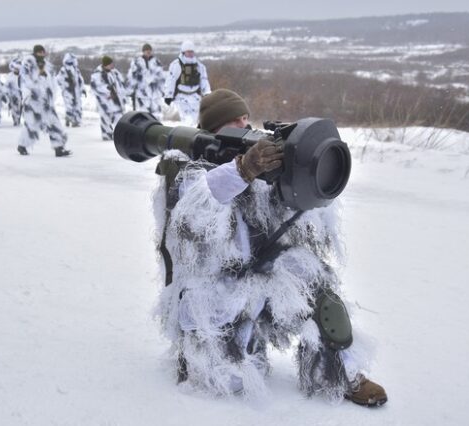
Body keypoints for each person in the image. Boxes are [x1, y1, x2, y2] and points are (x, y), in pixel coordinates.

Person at [154, 89, 387, 406]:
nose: (243, 123)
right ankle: (202, 356)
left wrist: (299, 173)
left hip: (260, 274)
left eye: (245, 117)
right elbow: (191, 221)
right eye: (233, 120)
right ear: (212, 129)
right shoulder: (189, 170)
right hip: (212, 293)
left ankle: (340, 373)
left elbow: (300, 222)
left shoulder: (261, 163)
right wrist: (241, 171)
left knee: (314, 283)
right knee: (230, 379)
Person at [17, 45, 70, 157]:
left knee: (54, 123)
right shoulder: (28, 64)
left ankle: (58, 148)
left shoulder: (47, 66)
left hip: (46, 101)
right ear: (35, 52)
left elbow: (52, 81)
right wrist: (27, 92)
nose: (42, 54)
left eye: (43, 52)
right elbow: (23, 79)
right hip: (33, 100)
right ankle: (22, 145)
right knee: (32, 125)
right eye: (39, 52)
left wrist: (53, 93)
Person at [163, 40, 211, 126]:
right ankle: (187, 135)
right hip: (181, 97)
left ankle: (193, 134)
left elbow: (204, 80)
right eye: (188, 52)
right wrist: (168, 95)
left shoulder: (199, 66)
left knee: (195, 119)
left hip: (195, 97)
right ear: (183, 52)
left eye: (192, 51)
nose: (190, 54)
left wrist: (207, 93)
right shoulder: (176, 65)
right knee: (187, 120)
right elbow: (171, 80)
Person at [90, 55, 127, 141]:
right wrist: (108, 91)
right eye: (110, 64)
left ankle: (120, 133)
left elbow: (121, 84)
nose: (112, 65)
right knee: (106, 117)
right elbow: (95, 87)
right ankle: (107, 134)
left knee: (119, 116)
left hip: (116, 99)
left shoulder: (115, 73)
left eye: (112, 64)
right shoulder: (97, 74)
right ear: (105, 64)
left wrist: (122, 93)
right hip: (105, 101)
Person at [126, 43, 165, 118]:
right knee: (143, 116)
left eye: (149, 50)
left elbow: (161, 77)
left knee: (156, 116)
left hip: (155, 94)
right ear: (143, 51)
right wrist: (129, 90)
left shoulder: (156, 62)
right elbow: (132, 77)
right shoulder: (137, 62)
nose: (148, 51)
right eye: (146, 50)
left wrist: (163, 90)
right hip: (142, 94)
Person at [56, 52, 85, 128]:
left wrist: (83, 89)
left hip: (76, 91)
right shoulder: (64, 70)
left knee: (77, 106)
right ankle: (69, 119)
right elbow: (59, 80)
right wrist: (66, 84)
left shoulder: (76, 70)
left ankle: (76, 120)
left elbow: (80, 80)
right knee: (69, 106)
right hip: (68, 91)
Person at [5, 57, 22, 126]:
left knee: (20, 108)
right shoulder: (10, 76)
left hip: (21, 95)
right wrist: (7, 93)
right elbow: (6, 86)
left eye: (17, 68)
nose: (16, 70)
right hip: (12, 95)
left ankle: (18, 118)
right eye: (15, 68)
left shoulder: (23, 75)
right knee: (13, 108)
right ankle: (15, 119)